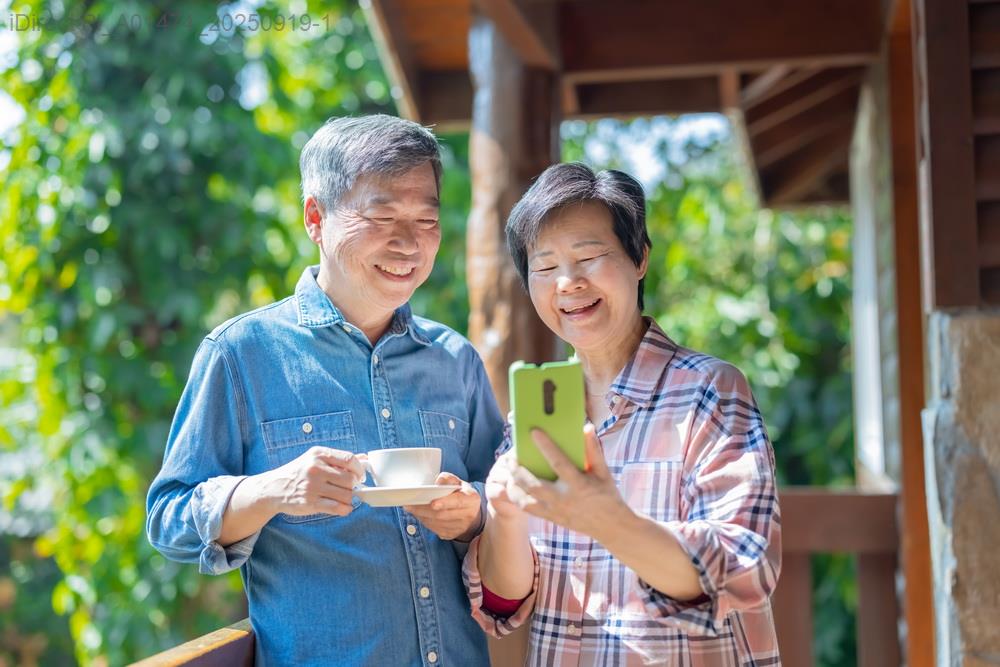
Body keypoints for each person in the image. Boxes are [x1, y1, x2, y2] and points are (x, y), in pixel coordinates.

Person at [146, 115, 503, 666]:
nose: (409, 242)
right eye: (382, 215)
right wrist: (272, 490)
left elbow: (507, 499)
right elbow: (168, 520)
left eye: (427, 219)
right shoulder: (241, 353)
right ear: (316, 218)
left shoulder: (455, 359)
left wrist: (475, 514)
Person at [465, 163, 781, 665]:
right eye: (544, 267)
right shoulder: (535, 413)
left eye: (589, 257)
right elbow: (505, 602)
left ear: (640, 259)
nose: (568, 282)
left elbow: (743, 566)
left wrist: (608, 520)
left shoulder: (710, 390)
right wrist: (505, 516)